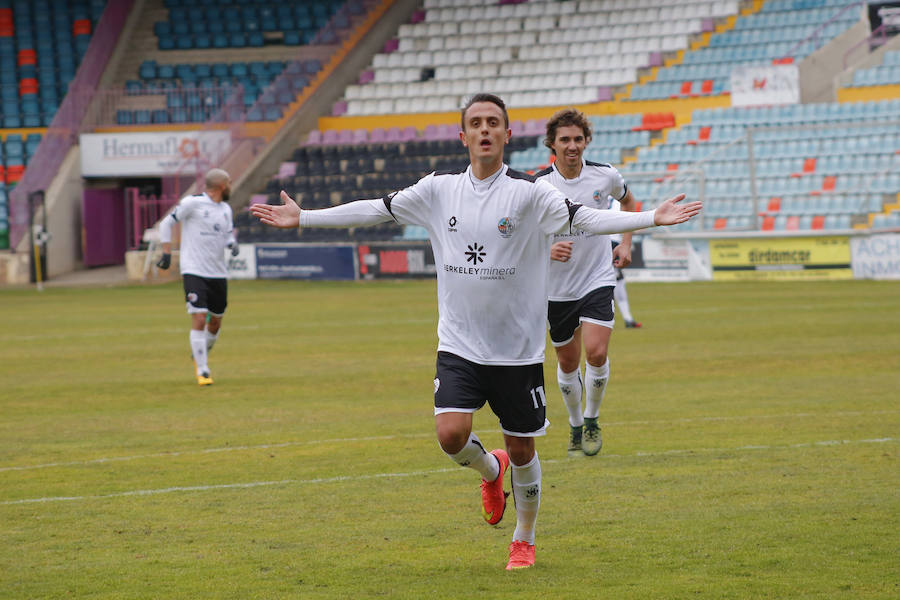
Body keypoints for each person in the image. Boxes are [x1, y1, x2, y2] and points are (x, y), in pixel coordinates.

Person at [250, 94, 701, 570]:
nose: (485, 129)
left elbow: (587, 219)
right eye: (476, 123)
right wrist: (304, 217)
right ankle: (490, 469)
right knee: (450, 435)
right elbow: (376, 209)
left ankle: (523, 539)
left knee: (524, 447)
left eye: (494, 123)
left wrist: (651, 219)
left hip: (517, 350)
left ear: (507, 135)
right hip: (459, 344)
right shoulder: (437, 189)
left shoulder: (530, 193)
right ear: (463, 136)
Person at [535, 108, 644, 457]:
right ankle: (575, 423)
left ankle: (593, 417)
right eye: (564, 139)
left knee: (596, 353)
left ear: (586, 142)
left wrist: (625, 243)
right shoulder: (538, 185)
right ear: (552, 144)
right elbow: (520, 233)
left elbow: (629, 201)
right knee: (568, 362)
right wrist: (548, 249)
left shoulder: (605, 175)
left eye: (578, 139)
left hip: (597, 277)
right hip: (556, 289)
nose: (572, 145)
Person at [157, 168, 239, 386]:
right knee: (200, 318)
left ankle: (201, 353)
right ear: (222, 185)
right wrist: (166, 252)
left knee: (215, 323)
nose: (231, 186)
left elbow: (228, 233)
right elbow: (166, 223)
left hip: (218, 272)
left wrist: (232, 244)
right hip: (193, 270)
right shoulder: (192, 203)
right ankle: (203, 370)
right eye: (229, 182)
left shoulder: (225, 209)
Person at [610, 199, 642, 329]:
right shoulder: (619, 201)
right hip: (613, 242)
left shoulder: (601, 197)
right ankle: (602, 320)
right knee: (611, 281)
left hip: (605, 241)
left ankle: (628, 319)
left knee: (618, 280)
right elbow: (626, 220)